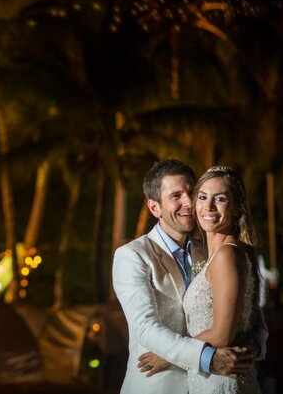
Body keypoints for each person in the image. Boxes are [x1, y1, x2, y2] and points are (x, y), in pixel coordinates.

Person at [112, 159, 267, 394]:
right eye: (176, 196)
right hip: (159, 385)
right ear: (155, 208)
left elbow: (249, 311)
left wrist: (254, 344)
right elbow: (145, 328)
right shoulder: (133, 255)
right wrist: (206, 357)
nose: (188, 202)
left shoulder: (212, 251)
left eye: (191, 193)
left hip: (214, 381)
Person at [183, 166, 264, 392]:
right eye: (202, 197)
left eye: (219, 199)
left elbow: (222, 334)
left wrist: (168, 356)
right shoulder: (231, 253)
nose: (208, 207)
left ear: (237, 209)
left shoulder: (227, 255)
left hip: (221, 380)